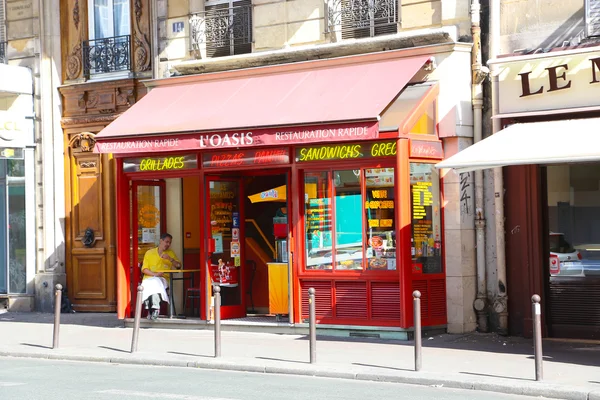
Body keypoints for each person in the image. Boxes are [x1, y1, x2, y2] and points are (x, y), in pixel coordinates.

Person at [140, 232, 181, 320]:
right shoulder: (149, 253)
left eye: (170, 242)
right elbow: (144, 269)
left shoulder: (170, 253)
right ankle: (154, 308)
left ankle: (151, 308)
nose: (168, 244)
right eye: (166, 242)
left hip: (163, 279)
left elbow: (178, 266)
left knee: (156, 282)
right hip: (149, 278)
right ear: (161, 241)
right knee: (152, 283)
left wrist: (170, 259)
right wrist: (155, 274)